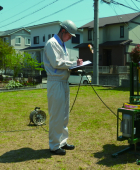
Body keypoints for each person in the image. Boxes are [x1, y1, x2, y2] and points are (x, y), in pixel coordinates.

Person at [43, 20, 83, 155]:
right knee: (56, 114)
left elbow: (63, 64)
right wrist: (73, 63)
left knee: (65, 114)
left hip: (64, 82)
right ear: (63, 31)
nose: (70, 38)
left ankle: (62, 142)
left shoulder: (62, 44)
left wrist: (74, 66)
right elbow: (56, 63)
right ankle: (54, 145)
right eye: (70, 35)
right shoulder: (52, 43)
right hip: (55, 83)